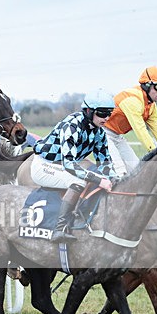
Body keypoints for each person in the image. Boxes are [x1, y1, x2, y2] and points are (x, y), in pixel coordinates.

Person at [31, 89, 119, 243]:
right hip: (44, 165)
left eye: (109, 113)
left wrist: (114, 179)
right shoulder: (72, 125)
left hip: (62, 166)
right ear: (88, 111)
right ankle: (59, 229)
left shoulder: (99, 132)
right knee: (79, 181)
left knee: (99, 176)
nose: (106, 118)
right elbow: (70, 165)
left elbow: (105, 163)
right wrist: (100, 180)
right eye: (102, 113)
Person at [103, 66, 157, 176]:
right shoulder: (133, 100)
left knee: (136, 170)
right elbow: (141, 131)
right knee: (119, 170)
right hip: (101, 133)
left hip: (117, 136)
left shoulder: (151, 106)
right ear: (147, 85)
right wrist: (156, 154)